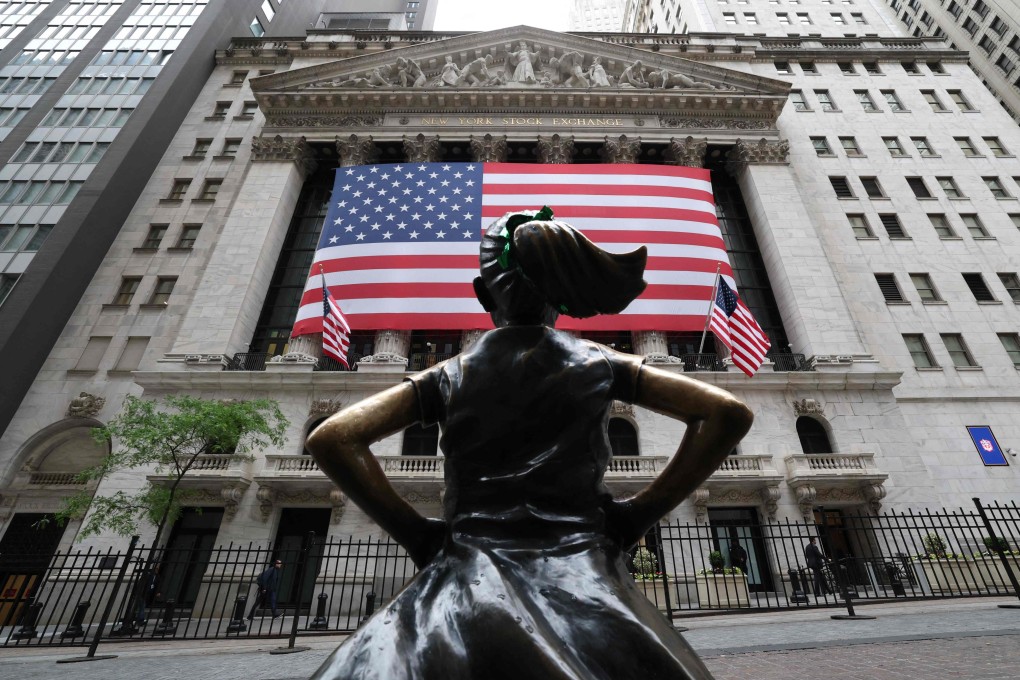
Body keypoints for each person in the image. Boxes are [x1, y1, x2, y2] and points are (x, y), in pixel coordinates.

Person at [306, 208, 754, 679]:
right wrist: (639, 514)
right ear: (560, 293)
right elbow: (726, 412)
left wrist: (416, 534)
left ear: (483, 295)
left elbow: (334, 436)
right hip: (582, 571)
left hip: (467, 570)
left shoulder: (449, 375)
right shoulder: (599, 363)